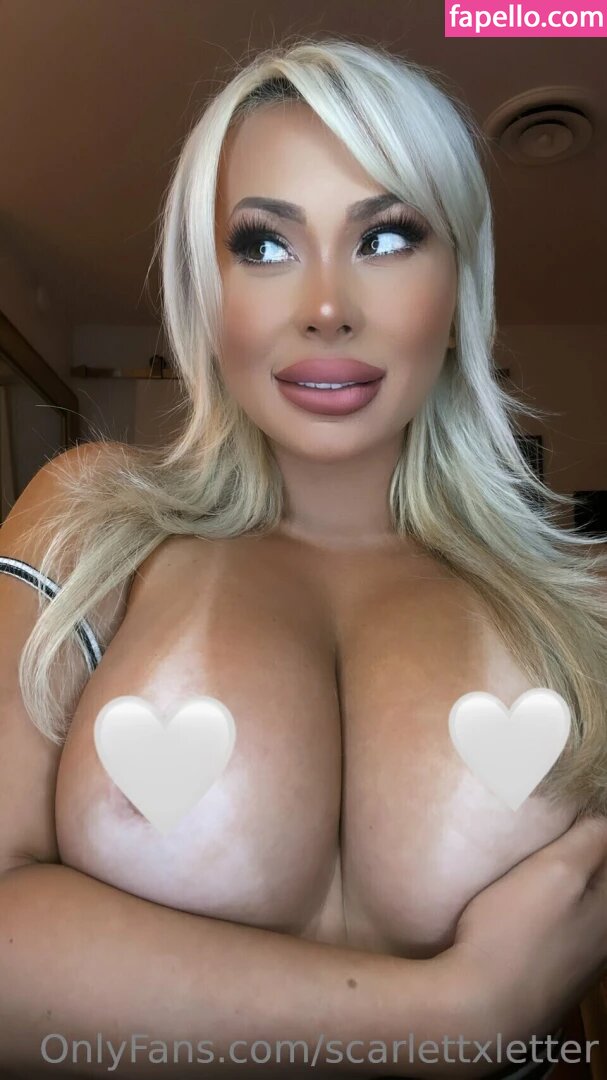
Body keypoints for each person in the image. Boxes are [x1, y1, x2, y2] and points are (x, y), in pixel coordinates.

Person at [1, 35, 607, 1079]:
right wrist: (457, 1015)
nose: (326, 307)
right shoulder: (90, 522)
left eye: (386, 237)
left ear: (458, 287)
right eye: (266, 246)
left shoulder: (580, 605)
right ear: (209, 291)